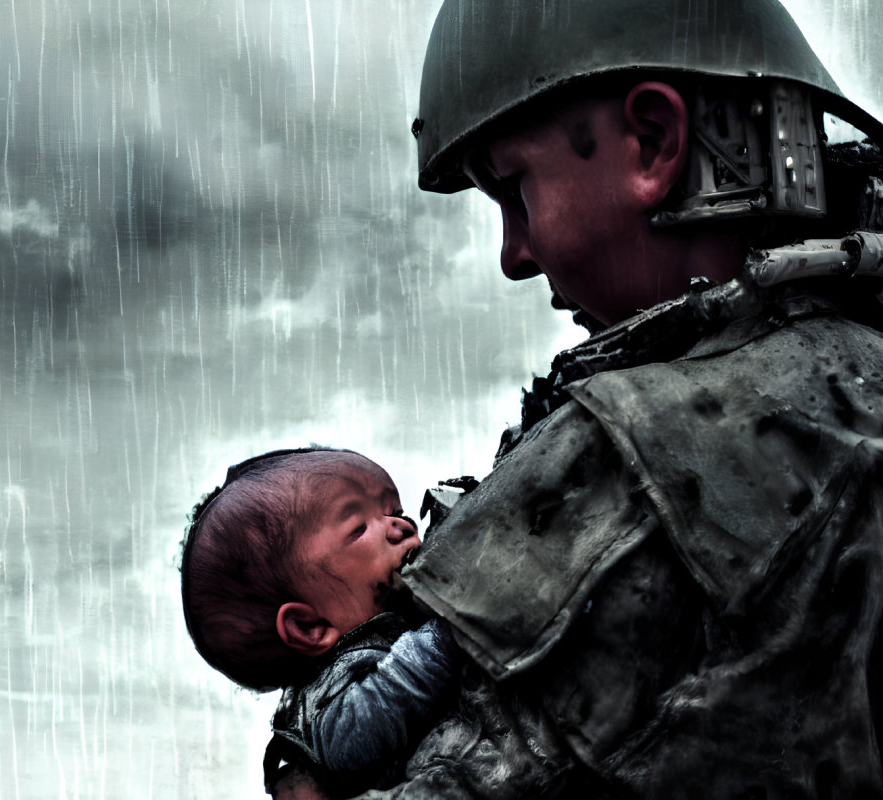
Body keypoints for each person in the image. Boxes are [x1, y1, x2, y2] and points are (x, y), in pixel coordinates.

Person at [279, 0, 883, 797]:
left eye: (513, 190)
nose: (513, 256)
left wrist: (309, 758)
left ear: (655, 143)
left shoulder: (639, 446)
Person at [178, 447, 460, 797]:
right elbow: (355, 741)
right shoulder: (326, 690)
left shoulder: (392, 615)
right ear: (308, 627)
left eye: (394, 512)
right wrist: (449, 632)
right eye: (358, 528)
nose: (401, 525)